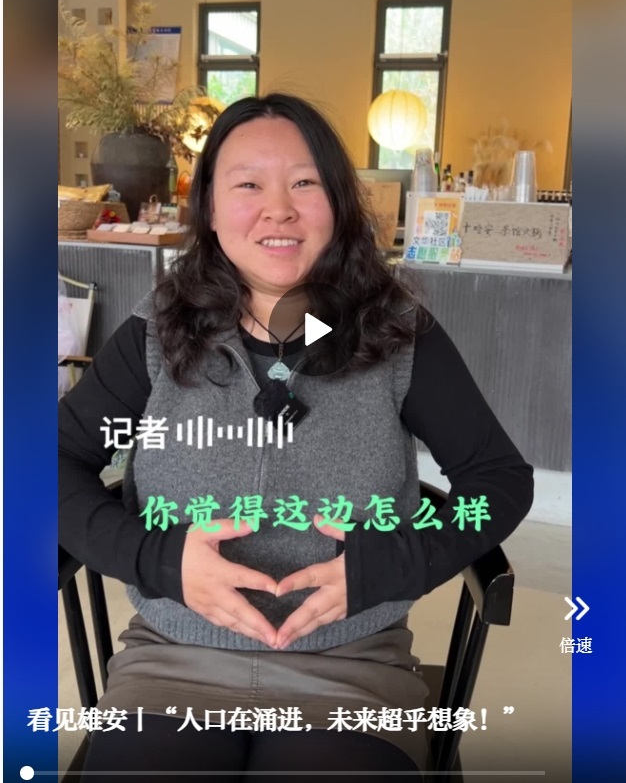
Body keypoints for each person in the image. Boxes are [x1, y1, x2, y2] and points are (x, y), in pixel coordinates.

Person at [59, 93, 534, 781]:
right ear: (210, 208)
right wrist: (155, 557)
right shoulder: (158, 329)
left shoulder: (397, 331)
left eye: (305, 182)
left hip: (352, 670)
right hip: (172, 663)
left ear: (338, 202)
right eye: (248, 184)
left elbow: (499, 478)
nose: (278, 209)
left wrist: (392, 563)